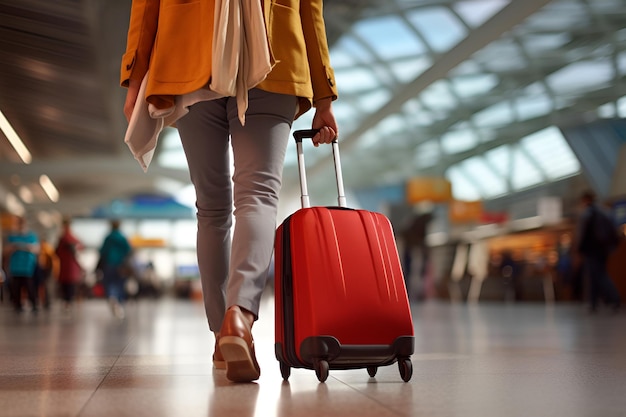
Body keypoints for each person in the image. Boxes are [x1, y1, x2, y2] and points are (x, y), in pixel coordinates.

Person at [121, 0, 338, 382]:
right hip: (274, 56)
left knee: (211, 207)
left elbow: (146, 8)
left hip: (188, 59)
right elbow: (310, 11)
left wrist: (136, 79)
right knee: (257, 195)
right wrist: (323, 96)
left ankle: (222, 334)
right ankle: (238, 317)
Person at [576, 190, 621, 313]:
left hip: (592, 250)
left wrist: (579, 249)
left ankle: (614, 298)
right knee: (595, 275)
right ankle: (593, 303)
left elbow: (582, 234)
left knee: (598, 275)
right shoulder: (604, 211)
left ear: (585, 200)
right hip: (604, 250)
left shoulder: (587, 213)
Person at [3, 216, 40, 313]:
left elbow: (37, 249)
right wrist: (12, 248)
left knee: (29, 286)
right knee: (16, 287)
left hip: (27, 266)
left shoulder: (31, 236)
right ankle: (17, 305)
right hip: (15, 266)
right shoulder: (12, 237)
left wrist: (30, 247)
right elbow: (5, 251)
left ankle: (33, 304)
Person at [97, 219, 133, 319]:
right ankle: (119, 302)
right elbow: (128, 250)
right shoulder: (122, 238)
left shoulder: (108, 238)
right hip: (120, 265)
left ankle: (112, 297)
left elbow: (102, 251)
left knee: (109, 283)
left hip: (108, 264)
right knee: (119, 284)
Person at [55, 218, 84, 312]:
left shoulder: (64, 238)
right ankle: (68, 302)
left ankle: (68, 302)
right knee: (69, 284)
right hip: (69, 266)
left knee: (67, 284)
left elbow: (57, 252)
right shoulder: (72, 238)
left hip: (67, 265)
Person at [37, 237, 60, 310]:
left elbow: (49, 261)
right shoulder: (48, 249)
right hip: (47, 270)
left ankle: (47, 302)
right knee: (46, 286)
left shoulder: (46, 249)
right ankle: (46, 301)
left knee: (47, 286)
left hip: (47, 270)